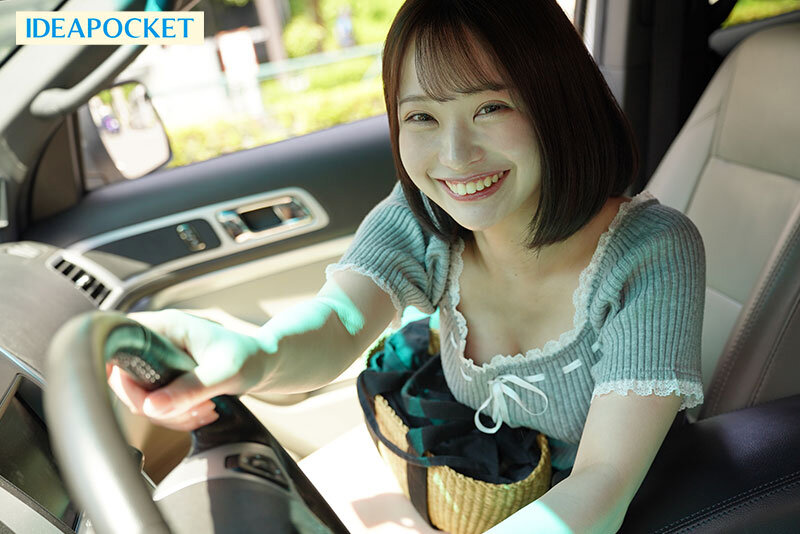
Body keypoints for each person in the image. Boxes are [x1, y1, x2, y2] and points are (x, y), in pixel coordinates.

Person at [109, 0, 706, 532]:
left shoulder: (650, 252)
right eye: (422, 117)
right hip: (471, 496)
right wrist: (254, 353)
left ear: (558, 103)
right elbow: (336, 322)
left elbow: (602, 486)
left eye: (490, 106)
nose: (456, 156)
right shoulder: (423, 217)